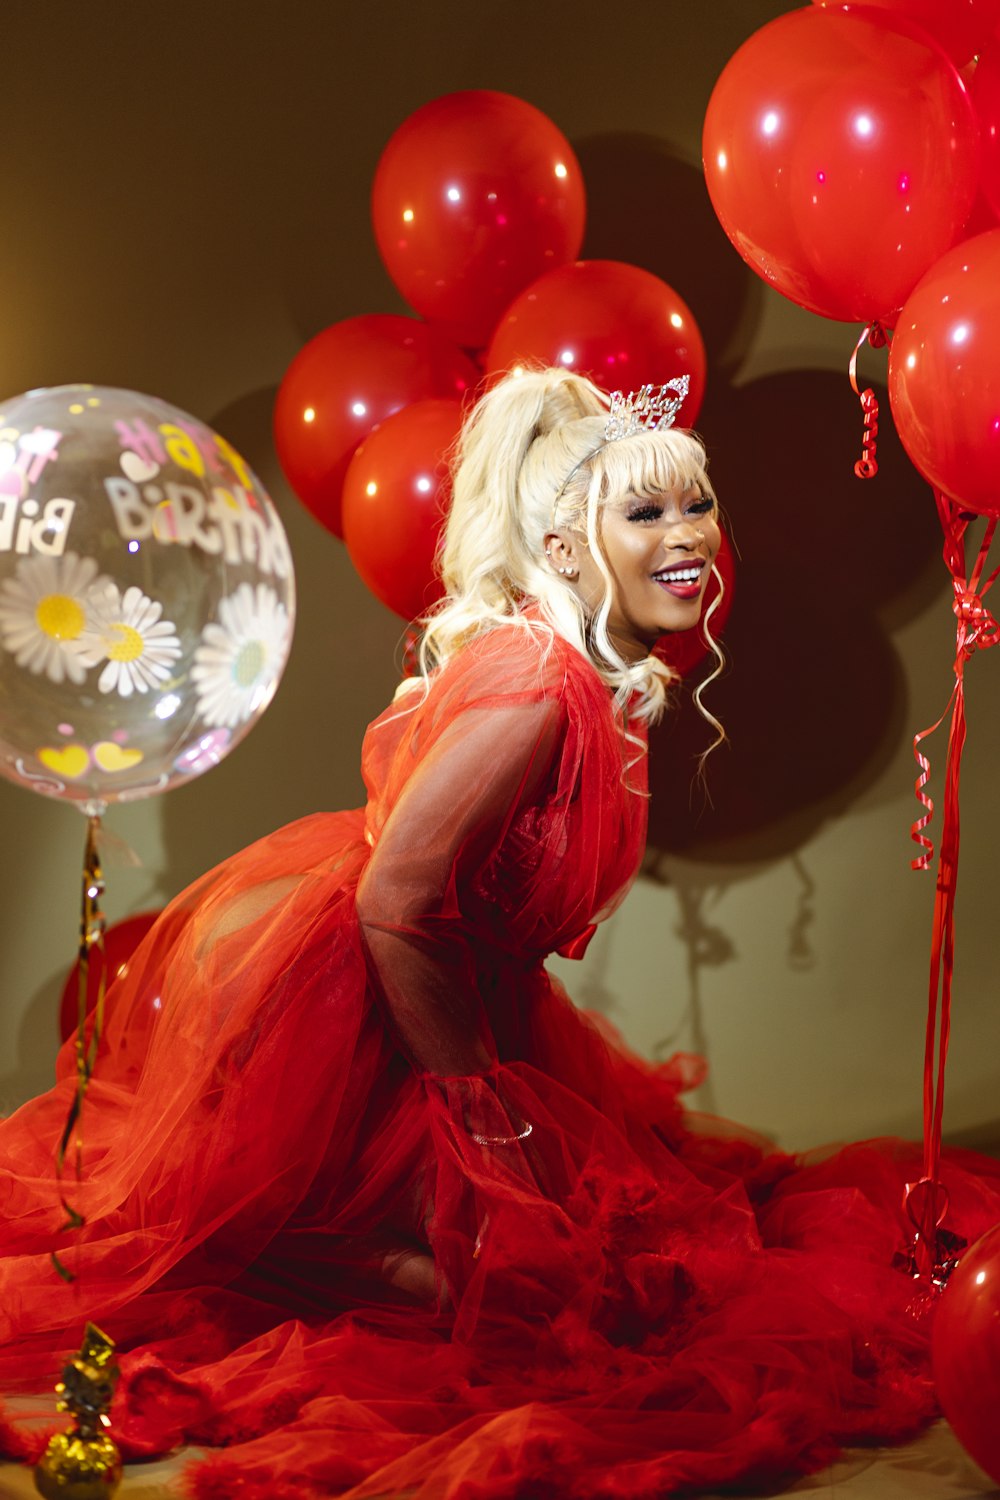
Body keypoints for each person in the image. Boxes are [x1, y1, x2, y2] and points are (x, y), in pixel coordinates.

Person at [0, 366, 998, 1499]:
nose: (690, 538)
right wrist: (480, 1122)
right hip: (365, 1022)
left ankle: (336, 1249)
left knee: (623, 1266)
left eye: (695, 504)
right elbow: (393, 902)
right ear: (567, 551)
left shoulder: (585, 670)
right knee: (542, 1311)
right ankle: (312, 1244)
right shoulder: (536, 680)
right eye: (645, 512)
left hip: (447, 996)